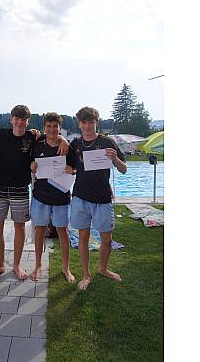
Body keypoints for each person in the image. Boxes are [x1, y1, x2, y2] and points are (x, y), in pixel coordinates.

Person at [0, 105, 69, 281]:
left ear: (28, 121)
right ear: (11, 119)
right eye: (16, 119)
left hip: (20, 189)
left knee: (19, 227)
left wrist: (63, 139)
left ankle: (17, 265)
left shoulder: (32, 136)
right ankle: (0, 265)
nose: (19, 122)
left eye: (23, 119)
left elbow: (52, 135)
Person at [69, 106, 127, 290]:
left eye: (91, 122)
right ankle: (86, 275)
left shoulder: (107, 142)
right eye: (84, 122)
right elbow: (70, 167)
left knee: (107, 239)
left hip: (102, 197)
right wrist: (69, 169)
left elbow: (124, 169)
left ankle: (103, 268)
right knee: (83, 237)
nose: (88, 126)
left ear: (97, 122)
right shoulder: (75, 144)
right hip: (81, 197)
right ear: (79, 124)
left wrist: (115, 159)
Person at [29, 112, 76, 283]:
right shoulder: (37, 145)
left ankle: (66, 268)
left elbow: (75, 168)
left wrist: (72, 170)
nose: (52, 129)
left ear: (59, 128)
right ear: (44, 128)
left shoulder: (67, 147)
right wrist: (32, 166)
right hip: (41, 196)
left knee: (63, 231)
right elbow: (30, 164)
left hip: (61, 196)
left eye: (55, 126)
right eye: (48, 126)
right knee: (39, 230)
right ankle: (37, 265)